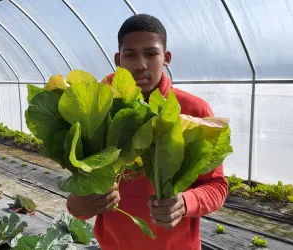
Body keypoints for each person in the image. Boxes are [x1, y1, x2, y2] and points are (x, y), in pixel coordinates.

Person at [67, 14, 228, 250]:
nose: (140, 64)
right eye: (130, 55)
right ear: (118, 59)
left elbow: (216, 186)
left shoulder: (194, 111)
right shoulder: (97, 110)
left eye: (151, 53)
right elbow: (78, 193)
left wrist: (185, 202)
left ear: (166, 58)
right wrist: (78, 205)